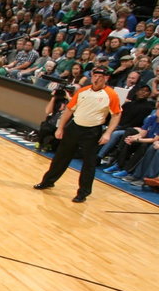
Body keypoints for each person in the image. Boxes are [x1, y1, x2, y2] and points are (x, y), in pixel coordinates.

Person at [35, 65, 122, 202]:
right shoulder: (82, 91)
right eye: (95, 76)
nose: (97, 79)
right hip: (75, 127)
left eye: (100, 76)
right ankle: (48, 181)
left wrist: (108, 133)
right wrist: (60, 128)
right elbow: (69, 110)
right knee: (61, 157)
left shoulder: (111, 94)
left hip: (93, 130)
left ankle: (83, 192)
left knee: (88, 163)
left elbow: (116, 115)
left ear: (106, 78)